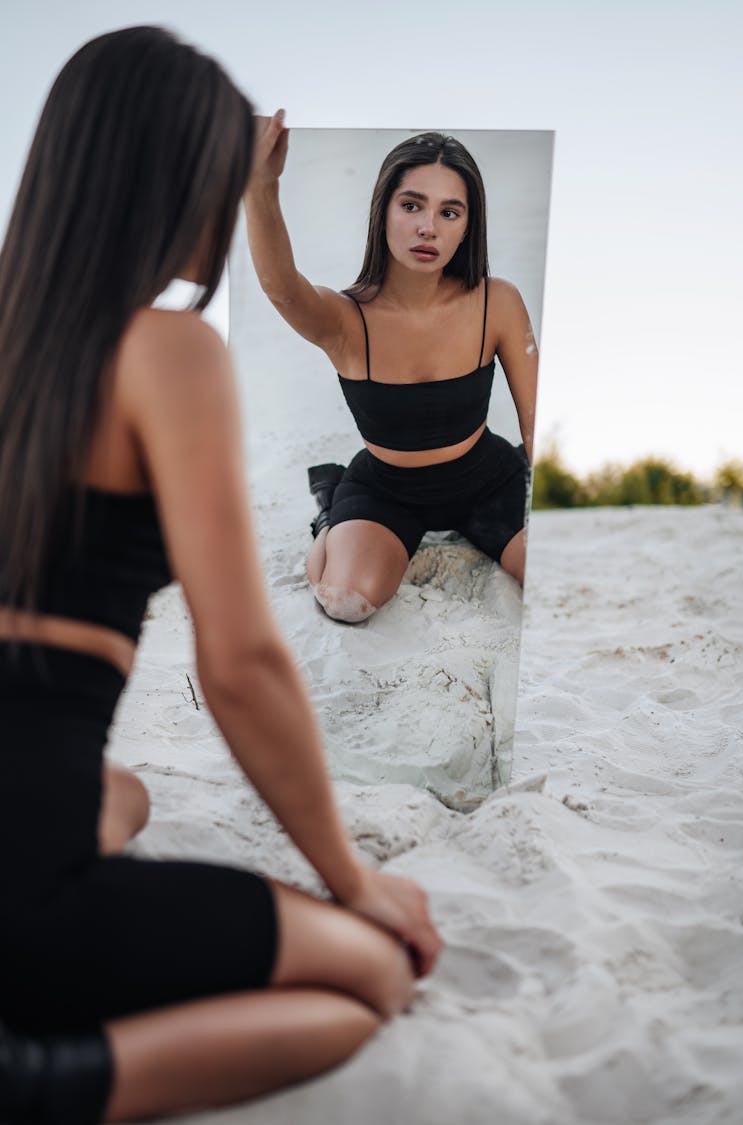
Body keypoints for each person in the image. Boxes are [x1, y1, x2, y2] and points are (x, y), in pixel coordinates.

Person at [0, 27, 441, 1125]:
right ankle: (40, 1085)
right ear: (173, 175)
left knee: (126, 793)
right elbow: (240, 663)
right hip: (22, 906)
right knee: (370, 975)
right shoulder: (163, 351)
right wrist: (352, 879)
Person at [245, 116, 538, 625]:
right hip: (387, 489)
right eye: (412, 205)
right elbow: (282, 287)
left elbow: (538, 421)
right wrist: (260, 187)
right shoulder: (344, 319)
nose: (429, 227)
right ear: (383, 212)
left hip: (489, 478)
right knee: (347, 601)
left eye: (450, 212)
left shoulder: (499, 302)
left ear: (469, 225)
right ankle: (330, 516)